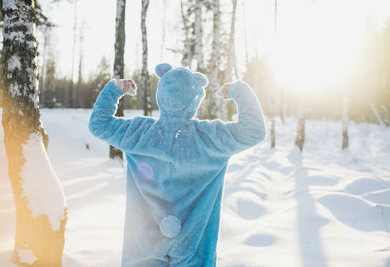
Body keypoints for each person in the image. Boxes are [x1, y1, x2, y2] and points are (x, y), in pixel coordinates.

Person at [88, 63, 266, 266]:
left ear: (161, 93)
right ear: (195, 98)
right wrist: (237, 91)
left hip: (143, 247)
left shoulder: (138, 133)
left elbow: (98, 124)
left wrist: (115, 89)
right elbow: (254, 131)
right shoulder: (210, 139)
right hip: (193, 247)